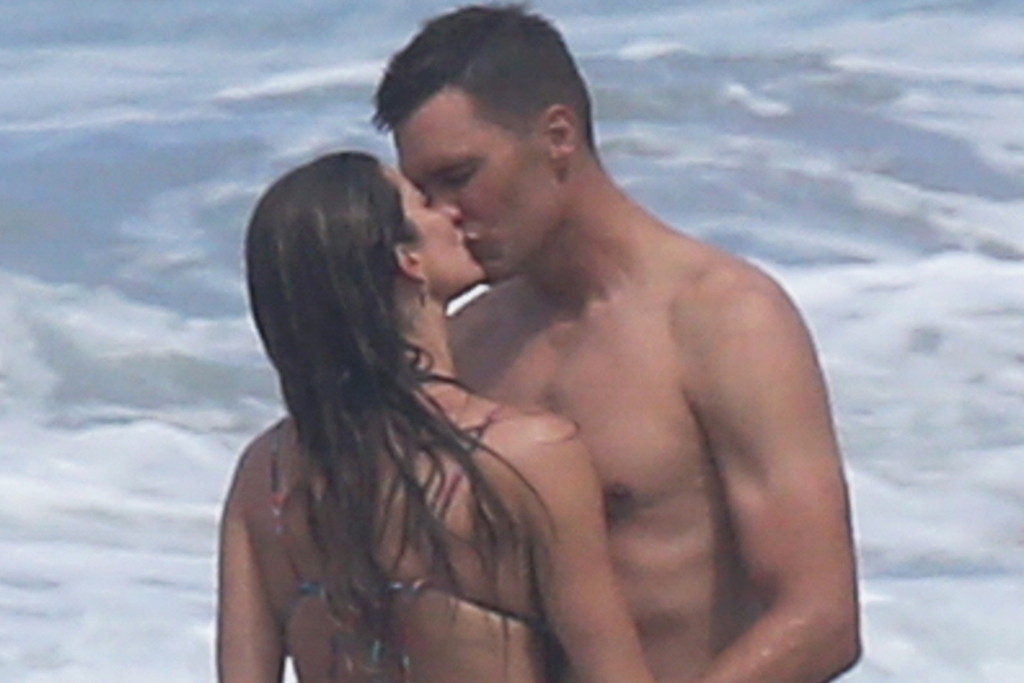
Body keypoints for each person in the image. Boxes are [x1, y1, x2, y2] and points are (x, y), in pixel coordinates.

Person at [373, 5, 861, 683]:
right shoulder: (468, 341)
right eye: (423, 193)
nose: (443, 215)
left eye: (460, 177)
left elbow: (821, 618)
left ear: (558, 137)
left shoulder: (723, 321)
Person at [217, 150, 659, 683]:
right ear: (409, 260)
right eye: (424, 203)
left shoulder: (265, 477)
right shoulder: (525, 456)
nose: (451, 213)